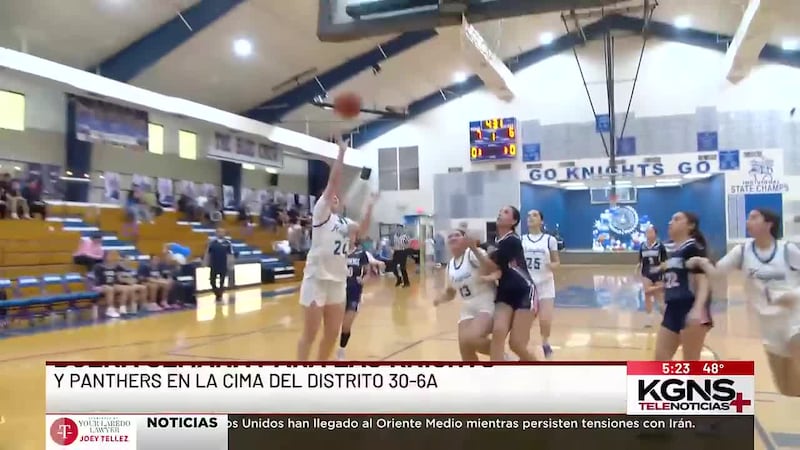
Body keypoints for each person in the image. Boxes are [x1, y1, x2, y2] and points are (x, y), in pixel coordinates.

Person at [690, 208, 800, 396]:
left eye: (754, 217)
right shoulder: (742, 251)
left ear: (768, 224)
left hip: (795, 318)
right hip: (770, 327)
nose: (748, 221)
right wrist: (702, 263)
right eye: (748, 218)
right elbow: (718, 273)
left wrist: (794, 295)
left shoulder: (788, 249)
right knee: (788, 390)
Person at [297, 134, 375, 361]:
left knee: (331, 335)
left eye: (335, 197)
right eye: (329, 195)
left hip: (337, 281)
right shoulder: (321, 214)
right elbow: (333, 183)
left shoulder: (344, 223)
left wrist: (370, 206)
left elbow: (361, 230)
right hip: (317, 279)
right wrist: (341, 153)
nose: (333, 197)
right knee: (310, 334)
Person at [469, 205, 538, 361]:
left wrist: (474, 248)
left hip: (524, 292)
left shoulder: (512, 240)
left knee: (516, 344)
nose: (500, 213)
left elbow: (492, 265)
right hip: (505, 293)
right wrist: (474, 245)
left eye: (506, 212)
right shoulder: (493, 240)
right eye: (500, 211)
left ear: (513, 221)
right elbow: (486, 250)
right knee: (498, 333)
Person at [655, 211, 711, 361]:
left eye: (676, 219)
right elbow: (676, 281)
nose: (670, 222)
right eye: (670, 219)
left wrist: (697, 309)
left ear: (690, 225)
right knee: (660, 359)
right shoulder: (673, 252)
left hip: (691, 308)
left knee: (691, 362)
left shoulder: (693, 248)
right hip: (672, 310)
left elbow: (703, 281)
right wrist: (660, 297)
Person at [434, 227, 496, 361]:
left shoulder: (473, 253)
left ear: (465, 239)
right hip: (467, 307)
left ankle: (502, 356)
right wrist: (440, 299)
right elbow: (451, 293)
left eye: (457, 235)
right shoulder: (450, 266)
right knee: (465, 347)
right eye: (450, 236)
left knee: (473, 338)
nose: (453, 238)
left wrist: (474, 248)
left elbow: (492, 268)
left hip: (485, 301)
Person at [522, 209, 560, 359]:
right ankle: (523, 347)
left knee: (545, 319)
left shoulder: (549, 240)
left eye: (535, 215)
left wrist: (552, 265)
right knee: (525, 320)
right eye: (528, 216)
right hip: (528, 286)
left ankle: (545, 342)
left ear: (541, 221)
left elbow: (557, 262)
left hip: (545, 284)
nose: (530, 218)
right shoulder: (521, 239)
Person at [336, 228, 371, 360]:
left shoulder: (361, 253)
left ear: (355, 237)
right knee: (334, 325)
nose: (349, 237)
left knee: (346, 325)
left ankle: (341, 349)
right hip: (337, 290)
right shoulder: (338, 252)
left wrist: (364, 280)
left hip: (354, 291)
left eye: (351, 234)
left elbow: (367, 272)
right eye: (346, 234)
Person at [637, 226, 668, 328]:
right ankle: (649, 319)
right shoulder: (642, 246)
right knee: (647, 293)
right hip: (646, 273)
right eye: (647, 232)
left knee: (659, 297)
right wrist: (637, 268)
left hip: (658, 274)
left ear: (655, 234)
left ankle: (666, 318)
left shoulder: (660, 246)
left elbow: (664, 262)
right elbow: (641, 261)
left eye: (651, 232)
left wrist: (660, 269)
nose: (649, 234)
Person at [204, 228, 235, 302]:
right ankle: (216, 293)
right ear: (216, 233)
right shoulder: (212, 243)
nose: (220, 233)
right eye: (219, 232)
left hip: (223, 265)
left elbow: (230, 255)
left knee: (222, 281)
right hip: (213, 265)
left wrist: (231, 264)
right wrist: (205, 262)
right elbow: (208, 253)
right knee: (212, 281)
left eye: (222, 232)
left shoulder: (228, 243)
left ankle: (219, 295)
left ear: (224, 233)